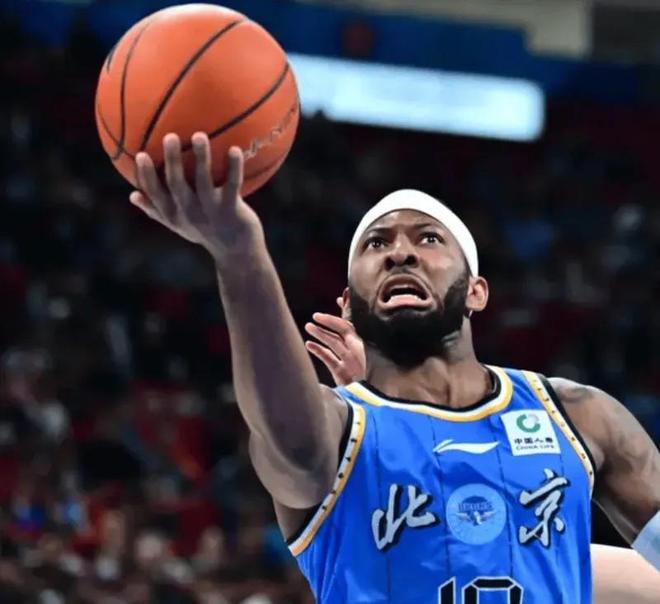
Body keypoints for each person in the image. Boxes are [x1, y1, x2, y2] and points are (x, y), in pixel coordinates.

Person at [129, 133, 660, 603]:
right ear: (347, 305)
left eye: (428, 238)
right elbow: (289, 438)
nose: (400, 253)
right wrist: (240, 256)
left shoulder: (576, 415)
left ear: (476, 291)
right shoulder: (341, 430)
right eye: (377, 243)